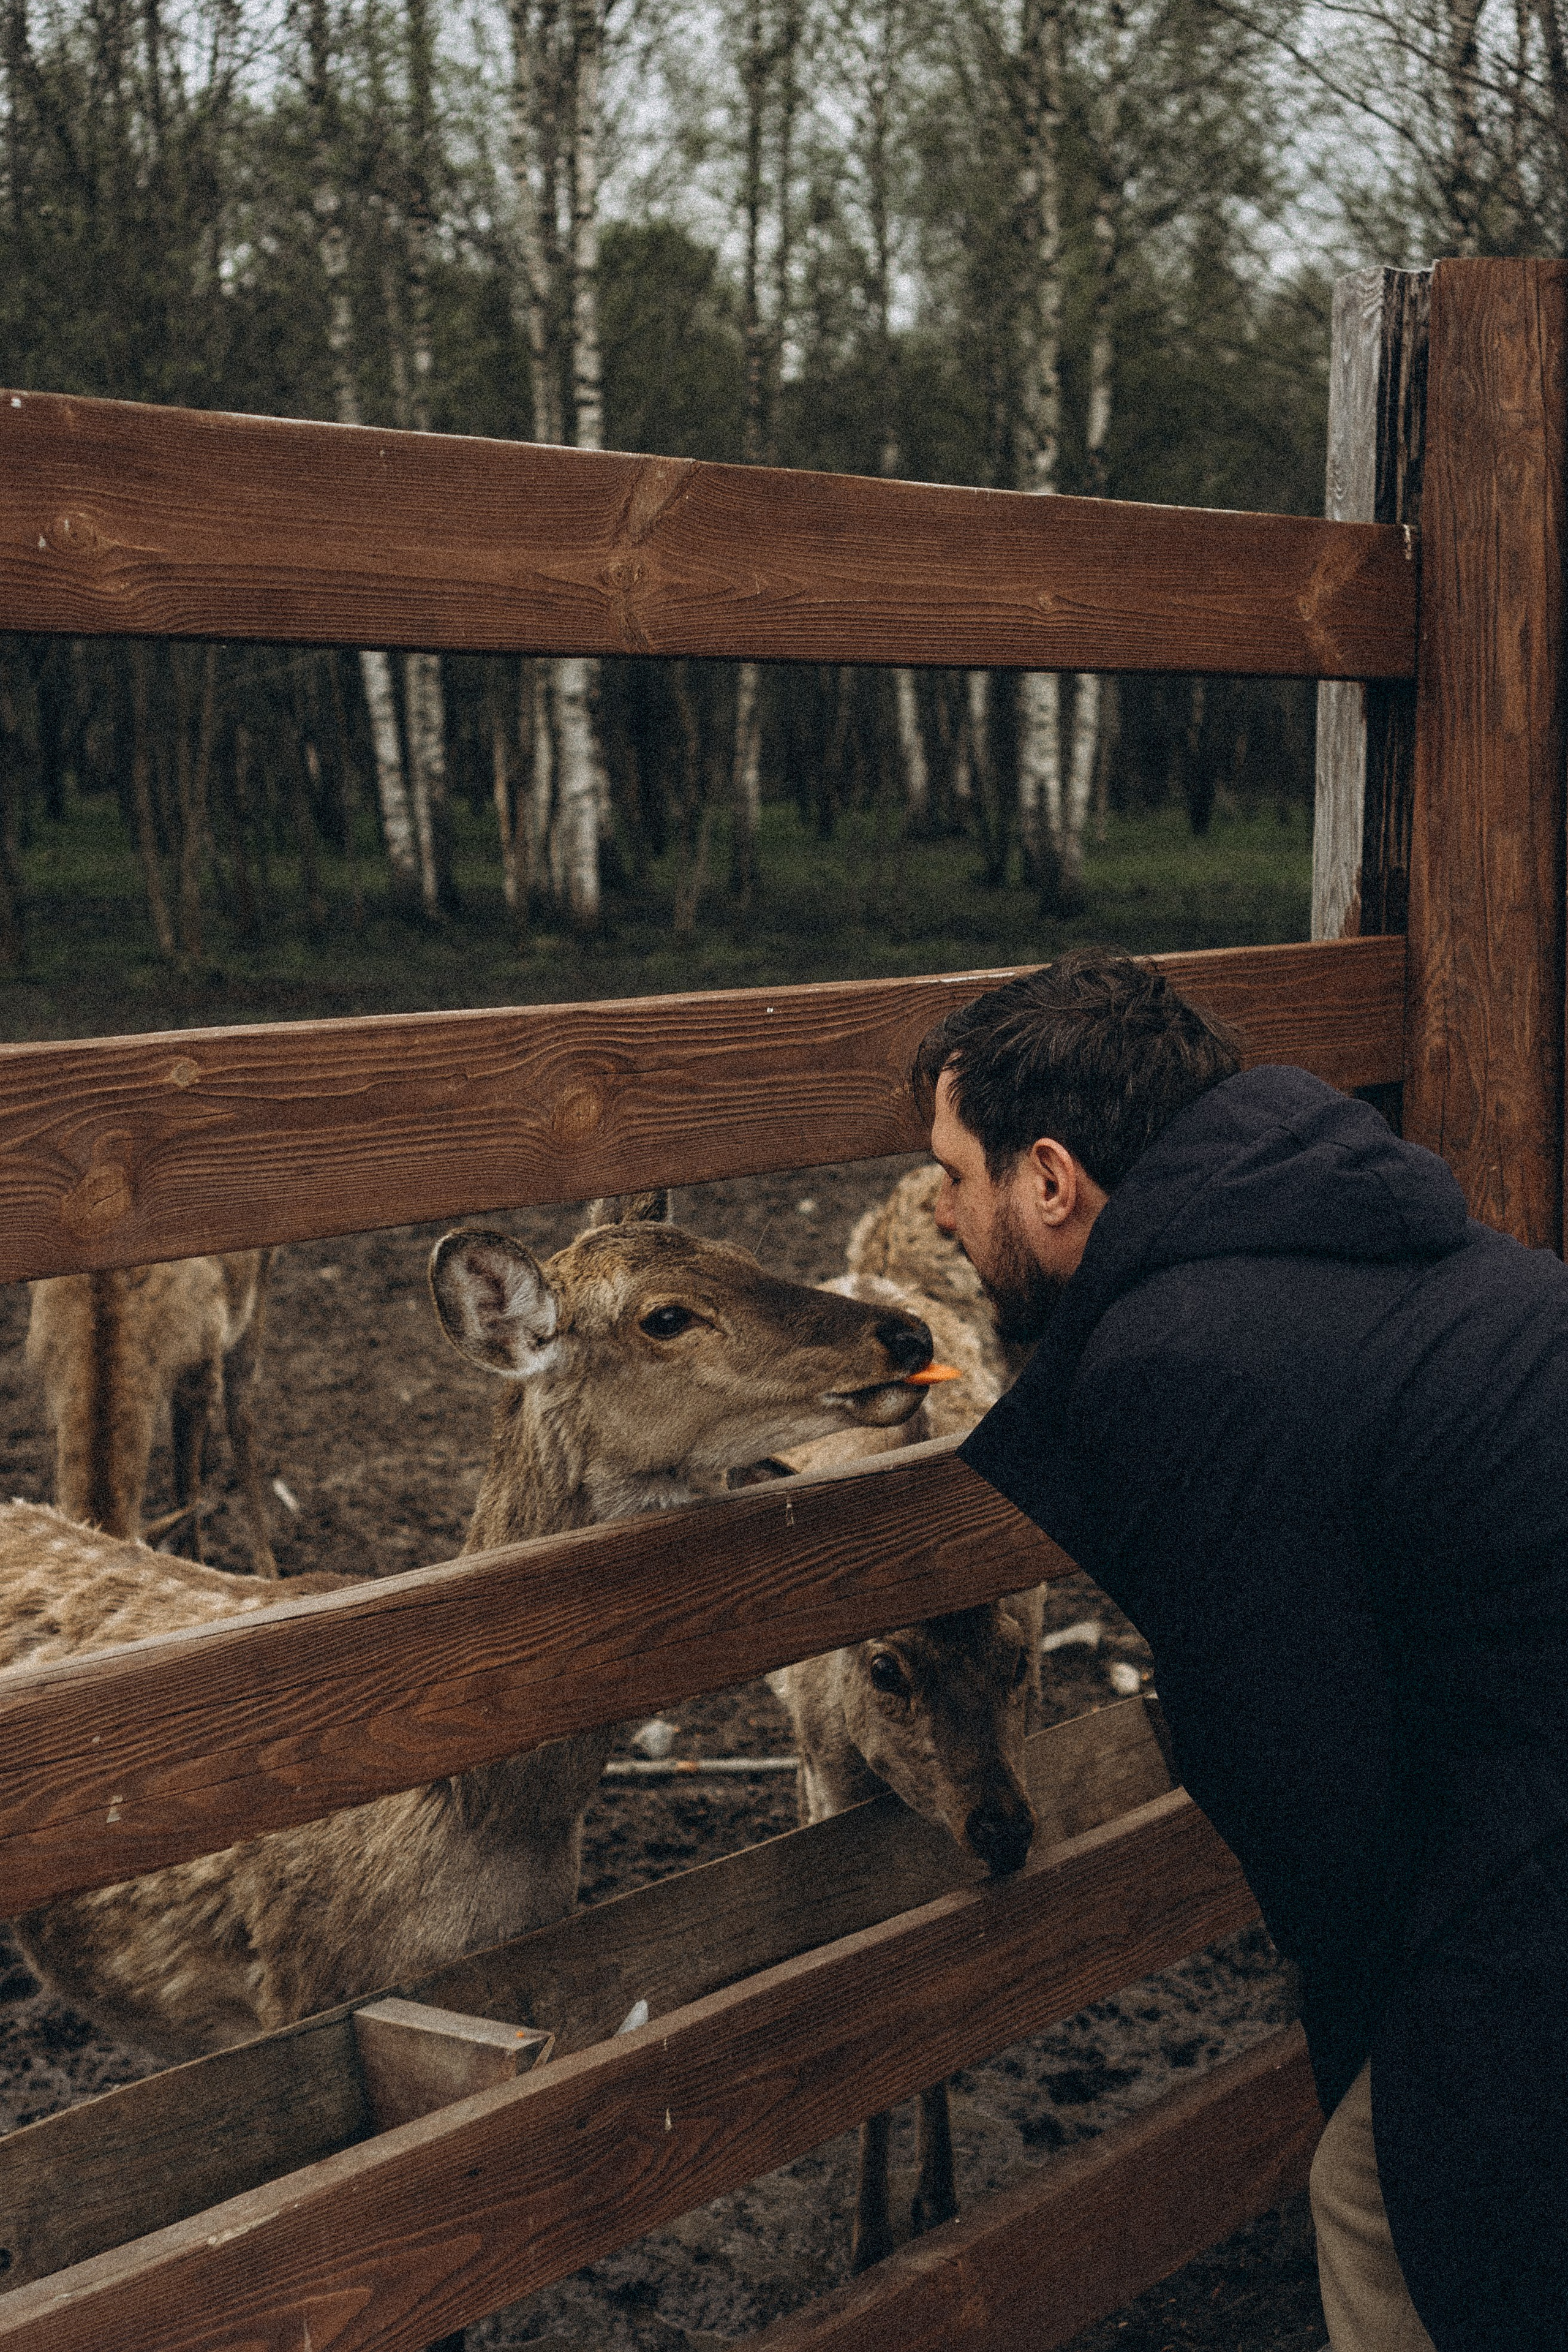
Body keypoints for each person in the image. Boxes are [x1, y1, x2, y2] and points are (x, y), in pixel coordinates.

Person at [914, 945, 1568, 2352]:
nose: (939, 1213)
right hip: (1522, 1758)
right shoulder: (1353, 1227)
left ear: (1047, 1177)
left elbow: (1298, 1768)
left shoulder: (1180, 1357)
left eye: (952, 1175)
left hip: (1533, 1828)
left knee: (1405, 2204)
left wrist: (1393, 2016)